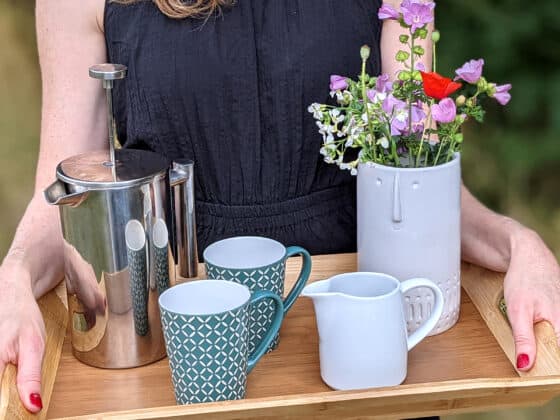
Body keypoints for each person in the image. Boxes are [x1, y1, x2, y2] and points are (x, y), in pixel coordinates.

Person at [1, 0, 559, 414]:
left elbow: (415, 182)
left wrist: (518, 244)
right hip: (182, 369)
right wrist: (14, 274)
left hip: (358, 368)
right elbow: (62, 202)